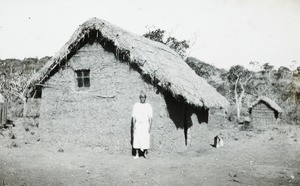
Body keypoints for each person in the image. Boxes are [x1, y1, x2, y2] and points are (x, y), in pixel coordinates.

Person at [132, 91, 153, 159]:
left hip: (145, 125)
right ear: (139, 98)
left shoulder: (148, 106)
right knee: (137, 138)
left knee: (145, 139)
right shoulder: (136, 105)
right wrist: (134, 125)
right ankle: (137, 154)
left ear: (145, 98)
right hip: (138, 124)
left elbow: (150, 117)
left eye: (144, 97)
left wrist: (150, 126)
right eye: (141, 97)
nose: (142, 98)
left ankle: (145, 154)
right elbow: (134, 117)